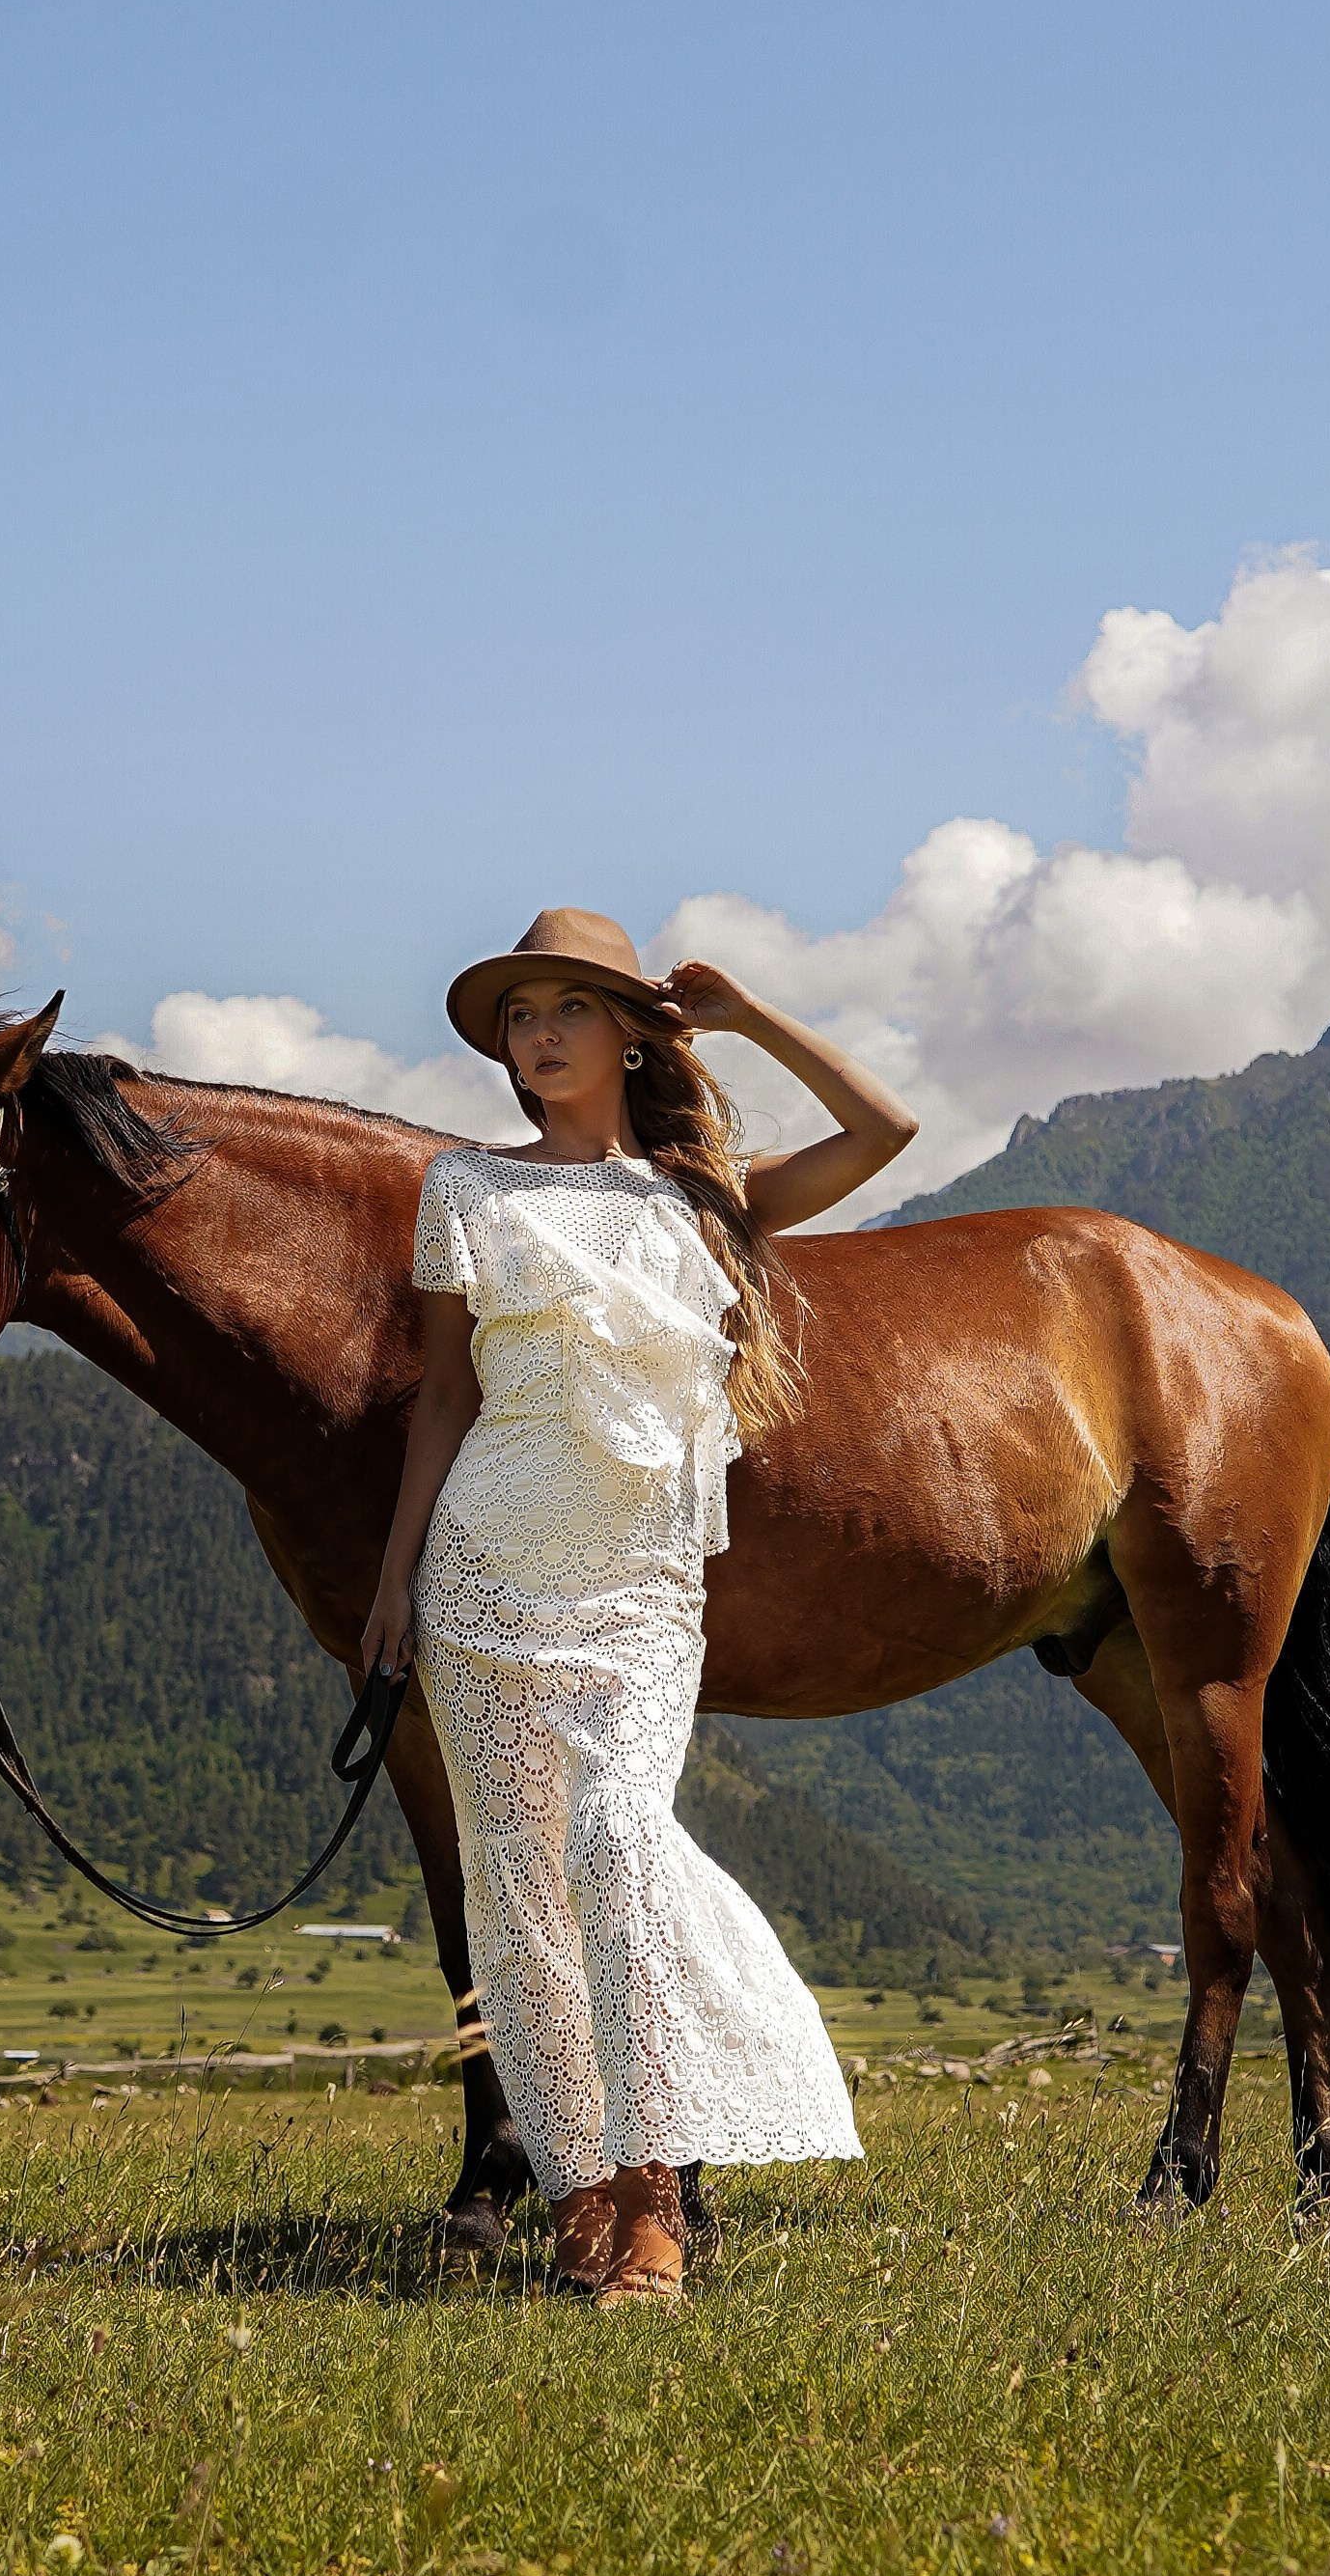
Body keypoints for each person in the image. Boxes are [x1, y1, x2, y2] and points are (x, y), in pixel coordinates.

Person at [361, 907, 919, 2306]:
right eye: (516, 1016)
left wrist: (745, 1018)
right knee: (521, 1899)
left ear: (627, 1032)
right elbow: (442, 1398)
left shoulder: (697, 1201)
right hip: (485, 1575)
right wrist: (389, 1585)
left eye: (564, 1008)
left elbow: (884, 1132)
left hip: (640, 1588)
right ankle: (582, 2198)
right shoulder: (463, 1191)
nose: (534, 1035)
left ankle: (660, 2198)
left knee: (616, 1848)